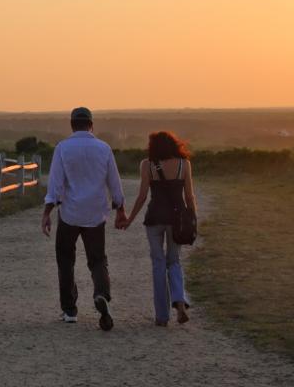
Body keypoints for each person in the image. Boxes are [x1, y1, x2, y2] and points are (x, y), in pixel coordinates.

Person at [41, 107, 126, 331]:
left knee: (66, 260)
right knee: (98, 260)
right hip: (96, 214)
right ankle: (101, 294)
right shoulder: (104, 148)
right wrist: (120, 209)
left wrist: (47, 212)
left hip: (69, 213)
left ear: (71, 125)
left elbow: (55, 184)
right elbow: (114, 183)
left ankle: (69, 310)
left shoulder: (62, 148)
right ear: (91, 125)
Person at [121, 131, 198, 326]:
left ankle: (162, 316)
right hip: (177, 219)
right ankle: (180, 301)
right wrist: (192, 218)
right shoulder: (184, 164)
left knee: (158, 264)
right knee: (174, 261)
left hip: (154, 218)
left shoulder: (147, 165)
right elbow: (189, 197)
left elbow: (142, 195)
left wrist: (130, 219)